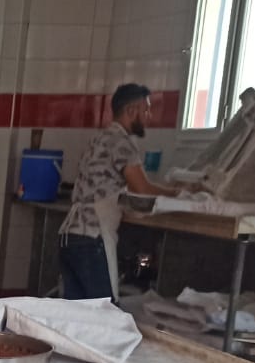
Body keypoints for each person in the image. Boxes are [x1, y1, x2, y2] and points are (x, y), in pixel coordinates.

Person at [58, 82, 181, 302]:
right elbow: (142, 189)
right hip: (92, 238)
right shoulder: (122, 142)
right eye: (146, 110)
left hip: (70, 235)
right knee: (105, 311)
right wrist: (179, 194)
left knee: (77, 313)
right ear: (131, 110)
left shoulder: (99, 138)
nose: (149, 116)